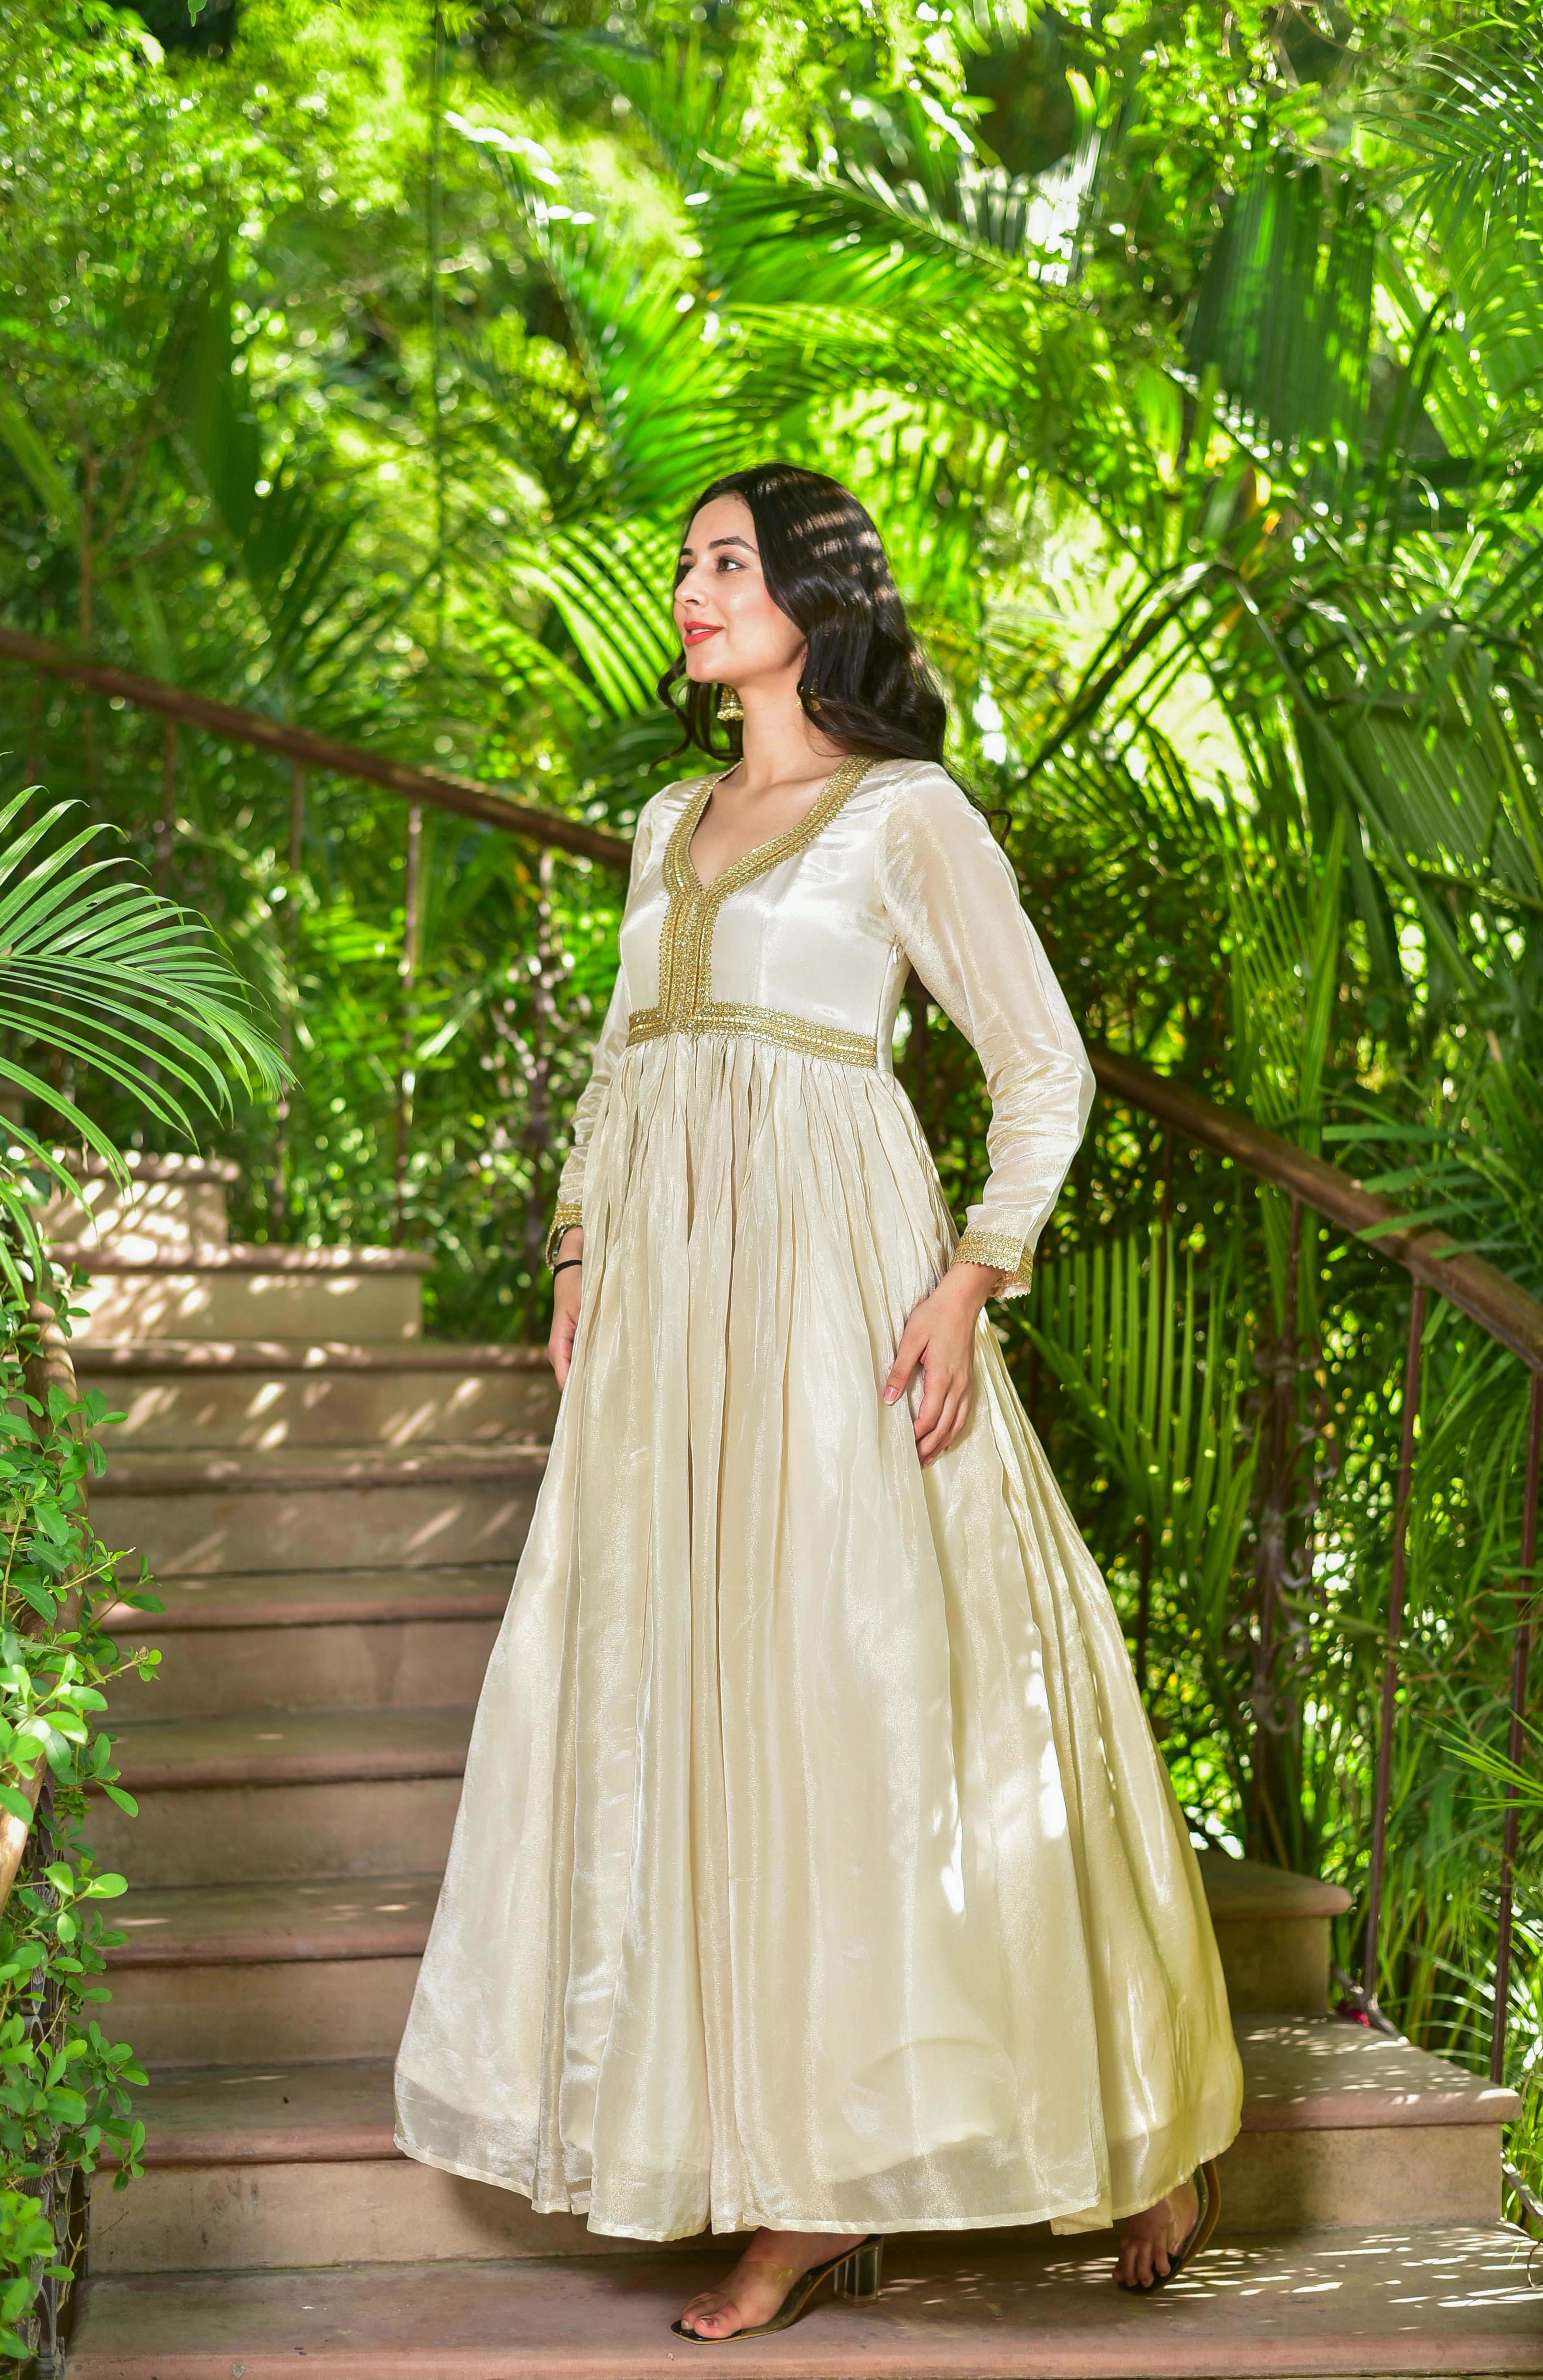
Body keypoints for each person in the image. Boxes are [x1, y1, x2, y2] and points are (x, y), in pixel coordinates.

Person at [393, 462, 1242, 2342]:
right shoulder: (664, 817)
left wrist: (972, 1275)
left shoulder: (906, 816)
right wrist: (576, 1253)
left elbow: (1042, 1064)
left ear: (811, 595)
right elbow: (624, 1067)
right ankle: (786, 2173)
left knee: (873, 1708)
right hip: (669, 1331)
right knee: (700, 1711)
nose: (692, 590)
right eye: (687, 564)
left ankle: (1117, 2128)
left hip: (841, 1306)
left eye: (725, 562)